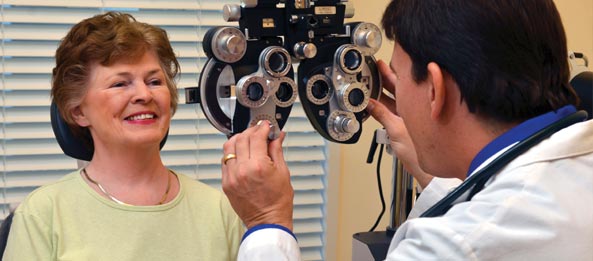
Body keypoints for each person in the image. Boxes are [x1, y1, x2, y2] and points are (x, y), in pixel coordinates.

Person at [220, 0, 593, 260]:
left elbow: (478, 232)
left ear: (435, 88)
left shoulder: (451, 246)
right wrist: (432, 168)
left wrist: (267, 221)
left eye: (400, 76)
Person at [2, 12, 244, 260]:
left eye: (154, 81)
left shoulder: (219, 211)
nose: (144, 95)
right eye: (120, 84)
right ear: (78, 112)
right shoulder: (43, 215)